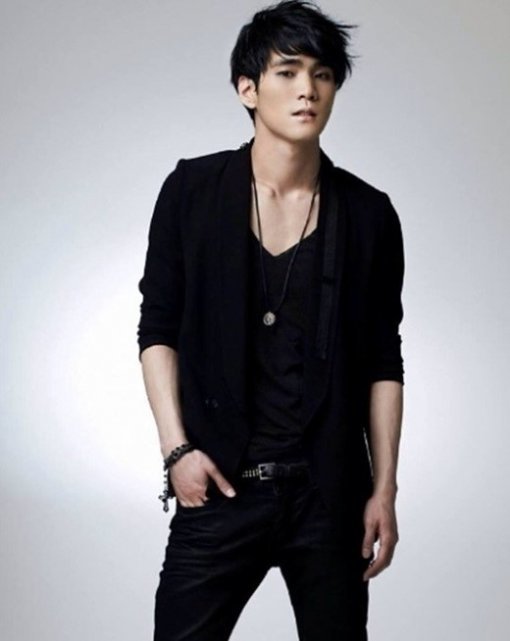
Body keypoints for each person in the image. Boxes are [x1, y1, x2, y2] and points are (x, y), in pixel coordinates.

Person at [136, 1, 405, 639]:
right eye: (287, 72)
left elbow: (383, 363)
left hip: (328, 496)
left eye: (322, 74)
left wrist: (384, 491)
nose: (308, 89)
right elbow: (158, 330)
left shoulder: (369, 214)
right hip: (221, 486)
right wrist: (177, 451)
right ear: (248, 89)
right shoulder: (192, 192)